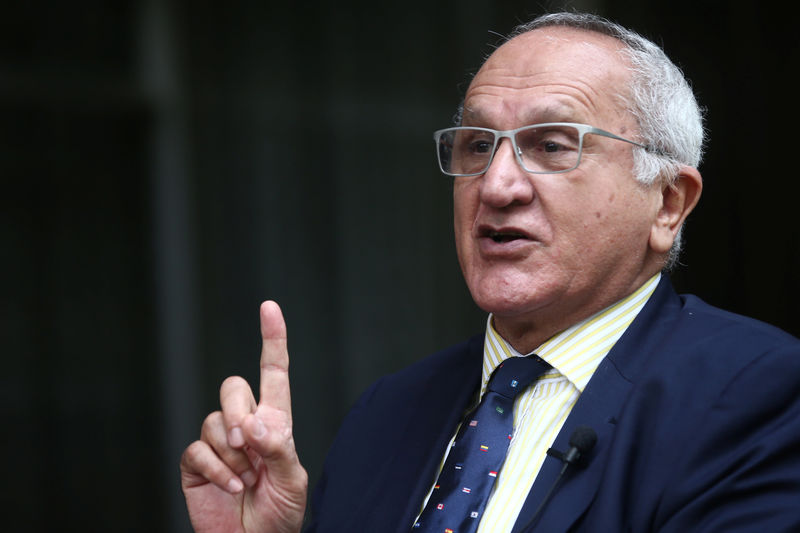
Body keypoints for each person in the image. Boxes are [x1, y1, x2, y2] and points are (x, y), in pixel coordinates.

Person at [179, 12, 800, 533]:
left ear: (667, 203)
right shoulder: (388, 414)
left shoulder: (757, 397)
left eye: (553, 145)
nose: (497, 185)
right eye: (478, 145)